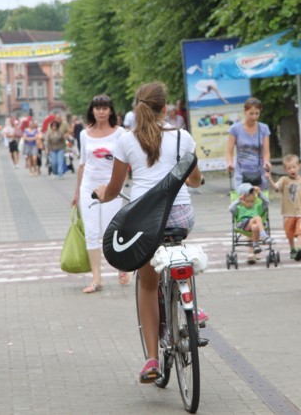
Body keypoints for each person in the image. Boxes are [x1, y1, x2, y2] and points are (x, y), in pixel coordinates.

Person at [92, 81, 203, 383]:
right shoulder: (183, 137)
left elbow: (115, 191)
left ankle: (152, 359)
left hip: (145, 223)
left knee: (148, 285)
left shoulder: (126, 142)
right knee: (178, 248)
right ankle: (192, 302)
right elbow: (194, 180)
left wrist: (101, 193)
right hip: (180, 216)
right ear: (164, 107)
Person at [72, 94, 129, 293]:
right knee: (91, 232)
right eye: (98, 108)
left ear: (111, 111)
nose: (101, 111)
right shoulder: (85, 134)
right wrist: (77, 193)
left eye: (105, 108)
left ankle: (122, 265)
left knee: (109, 230)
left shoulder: (120, 133)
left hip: (112, 187)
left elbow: (127, 161)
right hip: (88, 187)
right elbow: (82, 164)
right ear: (92, 111)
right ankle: (96, 279)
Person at [266, 154, 301, 261]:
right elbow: (276, 187)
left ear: (299, 166)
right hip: (288, 213)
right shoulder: (284, 180)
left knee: (300, 230)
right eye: (289, 168)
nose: (292, 170)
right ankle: (292, 249)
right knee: (290, 234)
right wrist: (270, 180)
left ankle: (300, 249)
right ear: (285, 169)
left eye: (294, 167)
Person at [226, 97, 272, 189]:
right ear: (245, 111)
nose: (254, 117)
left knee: (260, 201)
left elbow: (266, 151)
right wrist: (230, 163)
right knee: (243, 200)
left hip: (259, 171)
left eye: (257, 114)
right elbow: (229, 152)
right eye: (251, 113)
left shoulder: (264, 128)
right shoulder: (235, 129)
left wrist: (267, 162)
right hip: (241, 172)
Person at [229, 183, 273, 264]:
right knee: (257, 218)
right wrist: (239, 200)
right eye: (247, 201)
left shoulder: (257, 207)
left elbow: (266, 202)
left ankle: (256, 244)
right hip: (243, 224)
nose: (250, 203)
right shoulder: (239, 207)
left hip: (253, 225)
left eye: (252, 201)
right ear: (242, 200)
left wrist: (259, 193)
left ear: (255, 200)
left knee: (255, 226)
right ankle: (263, 235)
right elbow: (231, 209)